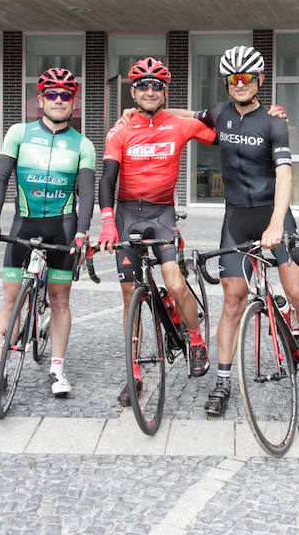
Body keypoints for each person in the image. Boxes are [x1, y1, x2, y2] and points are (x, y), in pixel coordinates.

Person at [194, 45, 299, 416]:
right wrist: (146, 113)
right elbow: (183, 117)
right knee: (232, 301)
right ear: (227, 82)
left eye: (246, 78)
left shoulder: (274, 121)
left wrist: (277, 223)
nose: (239, 84)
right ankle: (223, 381)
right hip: (237, 217)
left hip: (273, 215)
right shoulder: (218, 113)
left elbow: (285, 173)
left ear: (258, 80)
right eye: (232, 78)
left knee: (295, 291)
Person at [97, 57, 217, 405]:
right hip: (125, 216)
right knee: (128, 295)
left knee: (176, 283)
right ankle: (133, 374)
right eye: (143, 86)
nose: (149, 91)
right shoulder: (120, 130)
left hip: (161, 214)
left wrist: (268, 116)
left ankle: (195, 338)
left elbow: (219, 125)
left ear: (164, 91)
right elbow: (107, 179)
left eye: (157, 86)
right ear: (133, 91)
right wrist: (106, 222)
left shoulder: (178, 125)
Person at [0, 67, 95, 399]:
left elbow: (86, 194)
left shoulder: (83, 144)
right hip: (23, 225)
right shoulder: (19, 133)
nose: (59, 101)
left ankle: (57, 369)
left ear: (74, 102)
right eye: (52, 95)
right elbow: (0, 178)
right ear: (40, 99)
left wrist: (83, 233)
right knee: (10, 298)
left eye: (66, 95)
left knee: (59, 299)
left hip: (62, 228)